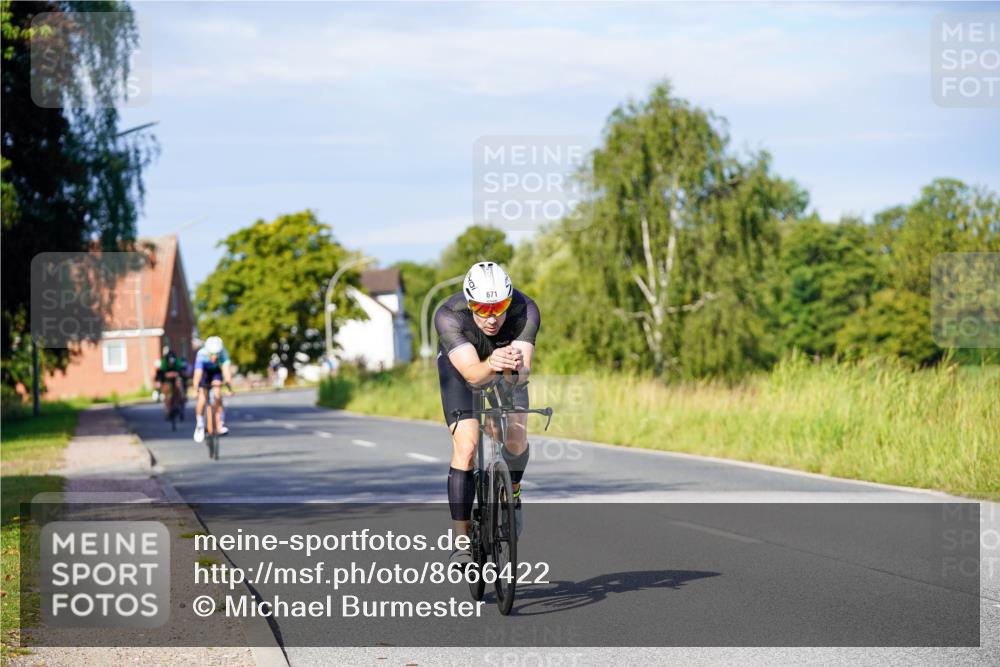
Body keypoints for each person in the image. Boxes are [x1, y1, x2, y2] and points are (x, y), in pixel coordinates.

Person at [434, 261, 540, 567]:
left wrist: (513, 369)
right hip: (463, 371)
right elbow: (473, 375)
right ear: (469, 304)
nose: (492, 316)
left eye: (499, 306)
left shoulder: (525, 310)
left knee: (516, 434)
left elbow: (522, 376)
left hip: (505, 366)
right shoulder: (449, 315)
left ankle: (513, 492)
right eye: (481, 307)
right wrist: (492, 362)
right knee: (466, 447)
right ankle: (461, 542)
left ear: (510, 299)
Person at [192, 336, 234, 443]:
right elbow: (198, 374)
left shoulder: (224, 353)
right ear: (208, 351)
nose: (215, 357)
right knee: (202, 399)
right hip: (204, 373)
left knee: (218, 395)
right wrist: (196, 388)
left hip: (216, 373)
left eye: (217, 354)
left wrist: (229, 387)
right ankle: (200, 425)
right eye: (212, 354)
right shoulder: (201, 354)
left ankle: (220, 424)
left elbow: (226, 372)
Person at [155, 346, 188, 419]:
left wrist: (178, 375)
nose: (171, 364)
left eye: (172, 362)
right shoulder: (163, 363)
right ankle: (166, 409)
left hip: (176, 378)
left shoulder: (178, 363)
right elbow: (159, 375)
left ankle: (182, 396)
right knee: (166, 392)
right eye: (170, 363)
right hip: (166, 379)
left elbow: (182, 373)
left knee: (179, 383)